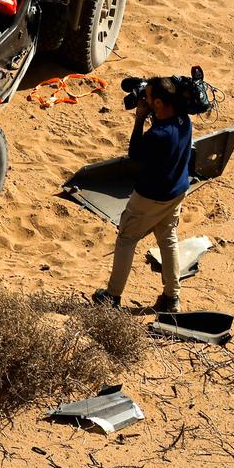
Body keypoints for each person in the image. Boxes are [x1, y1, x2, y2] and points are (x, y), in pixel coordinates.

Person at [92, 76, 192, 312]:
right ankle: (171, 298)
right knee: (168, 240)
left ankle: (112, 297)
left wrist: (139, 119)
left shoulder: (158, 135)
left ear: (158, 103)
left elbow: (135, 153)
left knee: (127, 239)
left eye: (147, 98)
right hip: (176, 192)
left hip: (149, 197)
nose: (143, 101)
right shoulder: (183, 120)